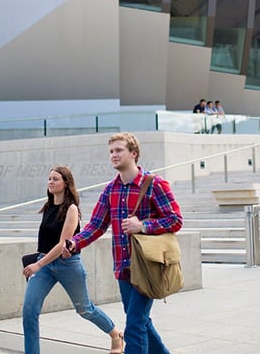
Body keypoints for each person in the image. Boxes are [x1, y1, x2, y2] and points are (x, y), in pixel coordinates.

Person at [64, 133, 182, 354]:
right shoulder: (110, 190)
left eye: (119, 150)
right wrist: (75, 243)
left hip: (148, 267)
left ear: (134, 154)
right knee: (141, 322)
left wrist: (144, 226)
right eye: (111, 151)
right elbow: (96, 225)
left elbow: (175, 219)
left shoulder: (155, 184)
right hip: (123, 269)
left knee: (134, 326)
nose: (114, 155)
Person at [22, 166, 124, 354]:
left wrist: (38, 264)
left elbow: (63, 244)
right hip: (44, 264)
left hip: (66, 265)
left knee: (85, 309)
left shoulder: (71, 209)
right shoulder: (48, 206)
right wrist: (40, 262)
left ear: (66, 183)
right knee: (29, 311)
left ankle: (115, 334)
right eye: (49, 179)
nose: (51, 182)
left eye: (55, 179)